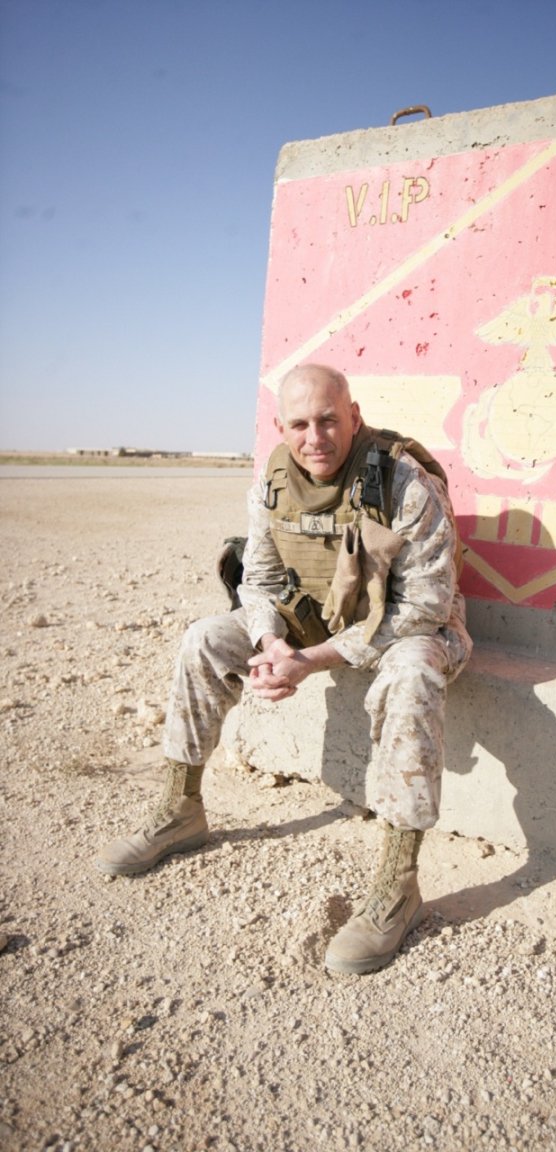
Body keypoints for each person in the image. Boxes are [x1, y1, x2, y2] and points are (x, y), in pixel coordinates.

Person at [95, 364, 472, 974]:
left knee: (413, 671)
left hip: (414, 627)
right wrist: (272, 642)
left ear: (352, 414)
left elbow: (422, 607)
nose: (315, 437)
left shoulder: (404, 483)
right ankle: (180, 807)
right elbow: (261, 581)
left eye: (328, 419)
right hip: (315, 621)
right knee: (204, 640)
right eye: (299, 424)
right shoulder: (270, 486)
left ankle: (398, 883)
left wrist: (311, 661)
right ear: (281, 427)